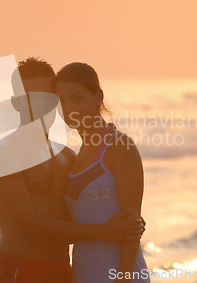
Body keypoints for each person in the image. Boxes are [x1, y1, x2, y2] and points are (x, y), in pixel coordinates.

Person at [0, 57, 145, 283]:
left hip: (64, 271)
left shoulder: (68, 157)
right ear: (16, 102)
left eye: (49, 98)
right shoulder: (6, 154)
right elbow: (30, 224)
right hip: (20, 271)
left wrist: (131, 224)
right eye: (32, 99)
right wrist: (105, 231)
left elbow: (86, 210)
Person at [55, 62, 150, 283]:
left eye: (77, 98)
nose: (68, 107)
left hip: (120, 273)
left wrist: (123, 279)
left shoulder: (119, 146)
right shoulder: (75, 157)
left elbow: (132, 226)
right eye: (61, 101)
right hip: (84, 271)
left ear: (98, 97)